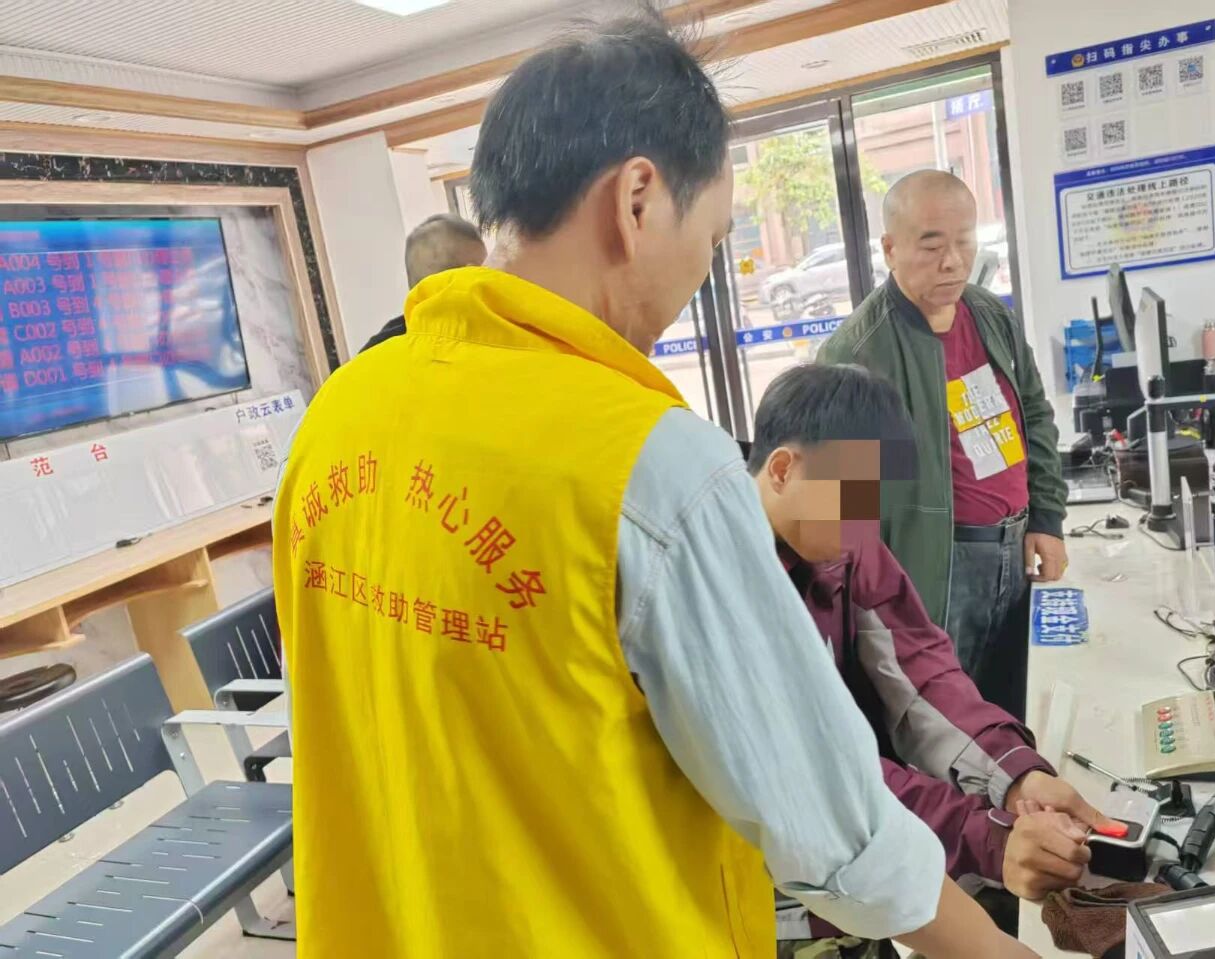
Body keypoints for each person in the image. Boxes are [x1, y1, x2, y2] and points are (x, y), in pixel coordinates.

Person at [274, 14, 1033, 959]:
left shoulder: (339, 415)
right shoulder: (651, 467)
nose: (701, 275)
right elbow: (833, 829)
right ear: (637, 201)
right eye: (713, 238)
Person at [746, 364, 1114, 957]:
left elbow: (920, 671)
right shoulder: (725, 588)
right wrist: (988, 840)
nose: (866, 520)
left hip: (859, 876)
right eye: (853, 493)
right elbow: (809, 771)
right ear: (784, 469)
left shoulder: (840, 534)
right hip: (765, 900)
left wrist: (1016, 776)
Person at [817, 170, 1067, 722]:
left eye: (964, 242)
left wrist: (1047, 517)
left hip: (1014, 549)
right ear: (890, 249)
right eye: (932, 246)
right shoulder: (858, 355)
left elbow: (1033, 412)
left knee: (1011, 707)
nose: (953, 262)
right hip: (937, 569)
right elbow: (846, 517)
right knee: (944, 725)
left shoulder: (989, 315)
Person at [360, 212, 487, 352]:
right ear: (467, 277)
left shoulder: (376, 352)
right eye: (483, 272)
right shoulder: (482, 344)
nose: (492, 280)